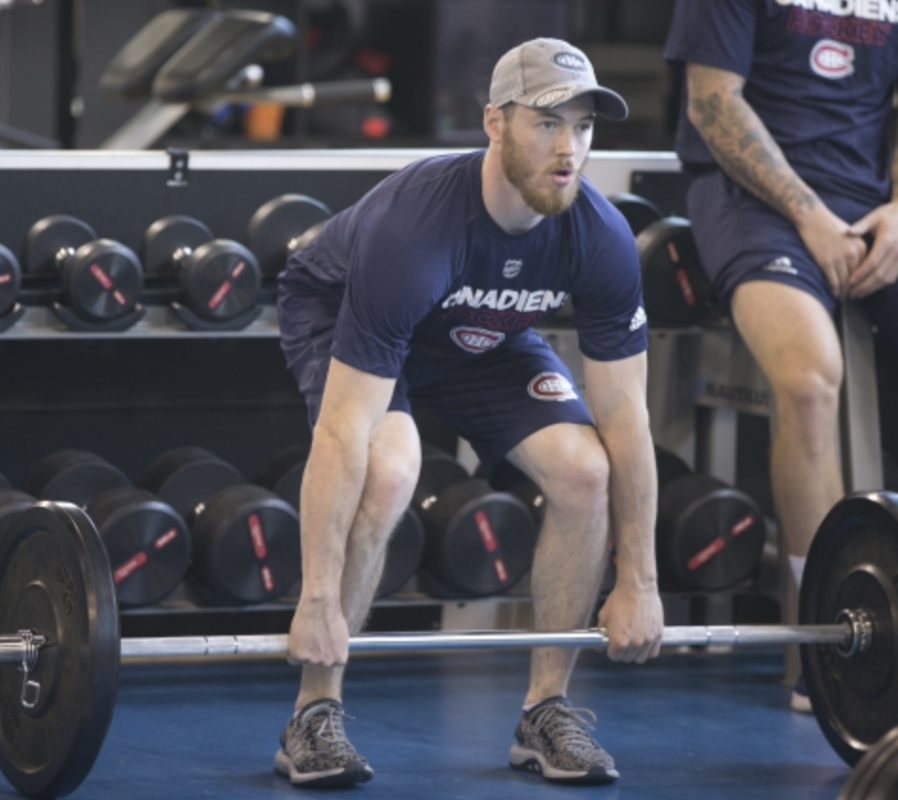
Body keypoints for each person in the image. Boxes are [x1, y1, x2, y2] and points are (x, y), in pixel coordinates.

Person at [274, 37, 664, 788]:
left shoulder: (601, 236)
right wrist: (315, 598)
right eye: (547, 123)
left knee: (586, 471)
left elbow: (628, 421)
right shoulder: (415, 227)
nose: (569, 148)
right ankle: (313, 715)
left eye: (583, 126)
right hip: (348, 315)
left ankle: (545, 711)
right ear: (493, 122)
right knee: (388, 472)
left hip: (482, 332)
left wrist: (638, 579)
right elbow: (343, 432)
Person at [663, 1, 898, 711]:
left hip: (873, 203)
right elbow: (712, 102)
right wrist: (811, 217)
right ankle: (828, 642)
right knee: (807, 378)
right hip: (754, 204)